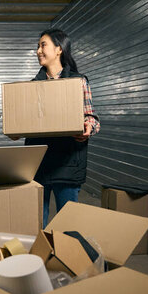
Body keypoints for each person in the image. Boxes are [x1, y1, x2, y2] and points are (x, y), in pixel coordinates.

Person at [25, 28, 100, 228]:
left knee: (69, 228)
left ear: (59, 49)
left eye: (43, 45)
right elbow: (25, 121)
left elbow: (92, 118)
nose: (38, 50)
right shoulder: (32, 87)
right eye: (37, 46)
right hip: (38, 166)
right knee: (36, 226)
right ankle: (39, 260)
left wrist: (87, 128)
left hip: (68, 164)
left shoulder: (78, 81)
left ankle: (66, 260)